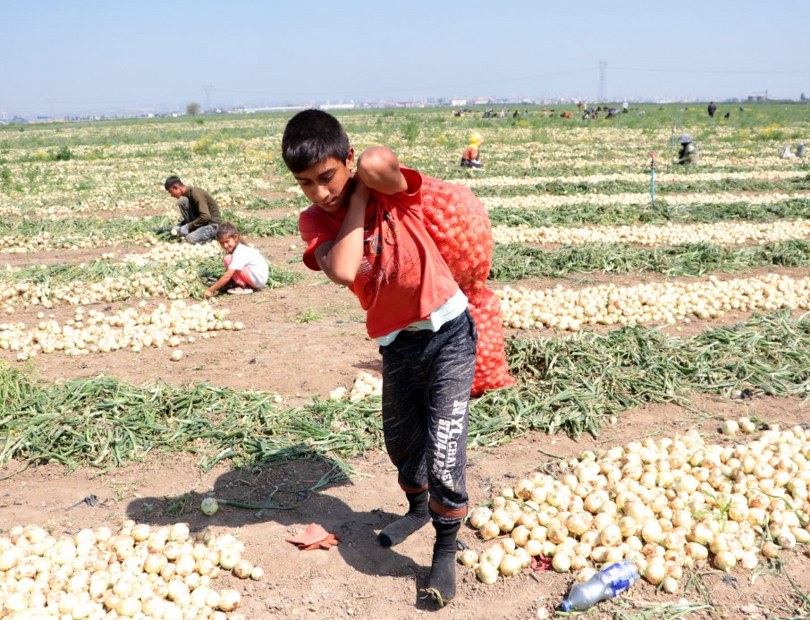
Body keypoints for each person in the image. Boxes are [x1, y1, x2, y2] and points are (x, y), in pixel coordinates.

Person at [282, 109, 478, 606]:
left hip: (448, 331)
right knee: (402, 445)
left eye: (328, 176)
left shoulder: (390, 190)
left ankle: (444, 548)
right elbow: (344, 269)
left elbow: (377, 163)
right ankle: (417, 510)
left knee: (444, 451)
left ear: (347, 159)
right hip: (396, 343)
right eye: (306, 183)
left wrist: (366, 183)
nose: (320, 192)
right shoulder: (314, 221)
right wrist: (355, 200)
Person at [203, 222, 269, 298]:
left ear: (235, 237)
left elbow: (227, 276)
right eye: (221, 243)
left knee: (227, 259)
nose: (225, 245)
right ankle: (243, 283)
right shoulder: (241, 248)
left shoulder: (239, 252)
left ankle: (242, 285)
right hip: (259, 279)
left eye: (227, 241)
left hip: (257, 280)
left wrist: (210, 290)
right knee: (229, 259)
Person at [163, 176, 222, 244]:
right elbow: (195, 215)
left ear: (176, 188)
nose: (171, 195)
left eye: (171, 192)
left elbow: (206, 216)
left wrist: (188, 226)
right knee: (182, 201)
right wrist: (180, 226)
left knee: (189, 239)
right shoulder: (188, 195)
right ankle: (194, 231)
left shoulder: (196, 193)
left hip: (212, 225)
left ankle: (213, 237)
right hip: (203, 223)